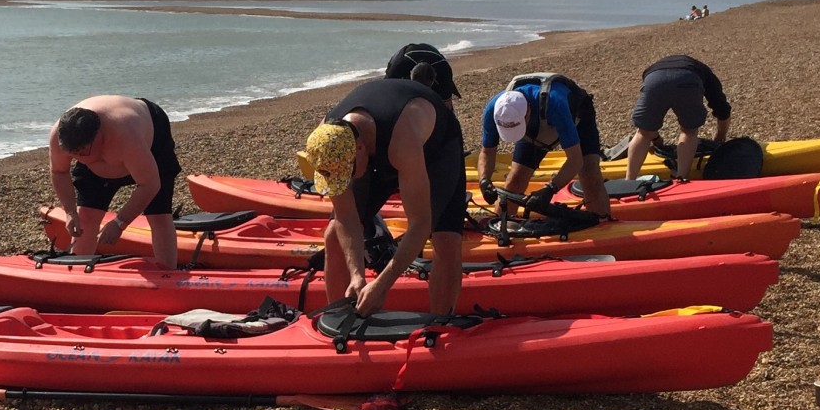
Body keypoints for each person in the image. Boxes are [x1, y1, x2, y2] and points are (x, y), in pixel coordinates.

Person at [297, 77, 467, 316]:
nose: (344, 182)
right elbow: (346, 219)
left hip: (435, 148)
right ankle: (340, 321)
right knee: (334, 237)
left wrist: (383, 284)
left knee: (446, 240)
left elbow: (420, 224)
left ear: (359, 148)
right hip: (375, 146)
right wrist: (357, 274)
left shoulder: (403, 141)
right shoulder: (327, 140)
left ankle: (440, 326)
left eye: (347, 174)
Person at [49, 96, 181, 268]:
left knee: (159, 216)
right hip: (98, 153)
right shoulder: (60, 137)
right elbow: (59, 171)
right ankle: (78, 272)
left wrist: (120, 222)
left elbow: (150, 184)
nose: (77, 157)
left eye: (82, 153)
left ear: (98, 137)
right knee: (86, 217)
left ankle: (168, 273)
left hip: (151, 135)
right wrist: (70, 212)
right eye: (73, 155)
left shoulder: (127, 136)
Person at [475, 72, 614, 218]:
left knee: (590, 175)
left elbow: (575, 160)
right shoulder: (494, 109)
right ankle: (501, 223)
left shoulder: (556, 104)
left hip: (577, 117)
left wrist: (550, 189)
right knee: (515, 180)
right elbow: (487, 152)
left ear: (528, 112)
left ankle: (602, 221)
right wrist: (484, 181)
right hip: (536, 126)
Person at [625, 54, 732, 182]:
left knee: (643, 133)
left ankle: (629, 181)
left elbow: (649, 121)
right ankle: (682, 178)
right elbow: (722, 108)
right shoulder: (705, 72)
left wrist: (656, 139)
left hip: (653, 78)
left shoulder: (652, 68)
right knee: (689, 131)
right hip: (688, 79)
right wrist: (720, 135)